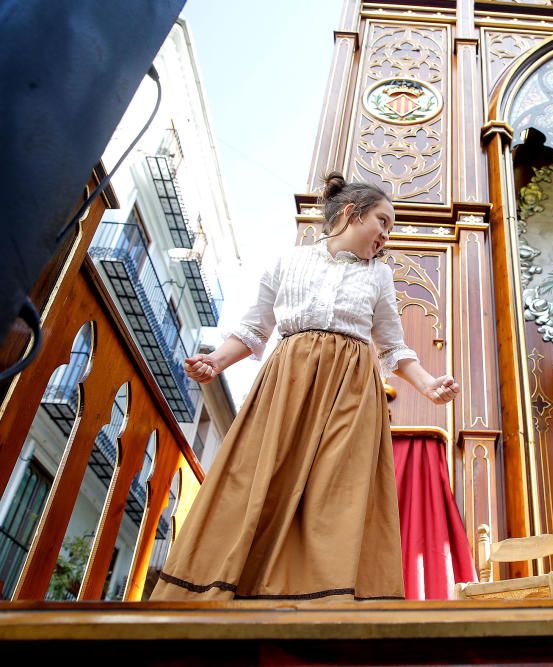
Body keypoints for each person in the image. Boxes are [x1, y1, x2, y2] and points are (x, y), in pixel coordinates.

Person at [151, 172, 460, 602]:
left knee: (338, 488)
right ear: (351, 214)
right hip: (287, 384)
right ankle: (232, 584)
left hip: (351, 393)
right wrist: (215, 361)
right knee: (260, 478)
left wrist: (429, 386)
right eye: (383, 222)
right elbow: (254, 328)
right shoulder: (287, 261)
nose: (387, 235)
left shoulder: (379, 277)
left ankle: (323, 597)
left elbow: (393, 347)